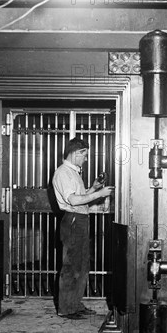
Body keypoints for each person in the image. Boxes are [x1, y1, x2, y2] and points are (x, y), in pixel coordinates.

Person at [52, 137, 114, 319]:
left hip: (79, 219)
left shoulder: (73, 172)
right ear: (76, 153)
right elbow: (73, 200)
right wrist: (100, 193)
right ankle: (65, 308)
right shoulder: (63, 173)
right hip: (73, 220)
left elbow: (80, 196)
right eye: (84, 155)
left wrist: (93, 188)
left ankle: (74, 304)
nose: (86, 159)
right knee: (71, 266)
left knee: (82, 265)